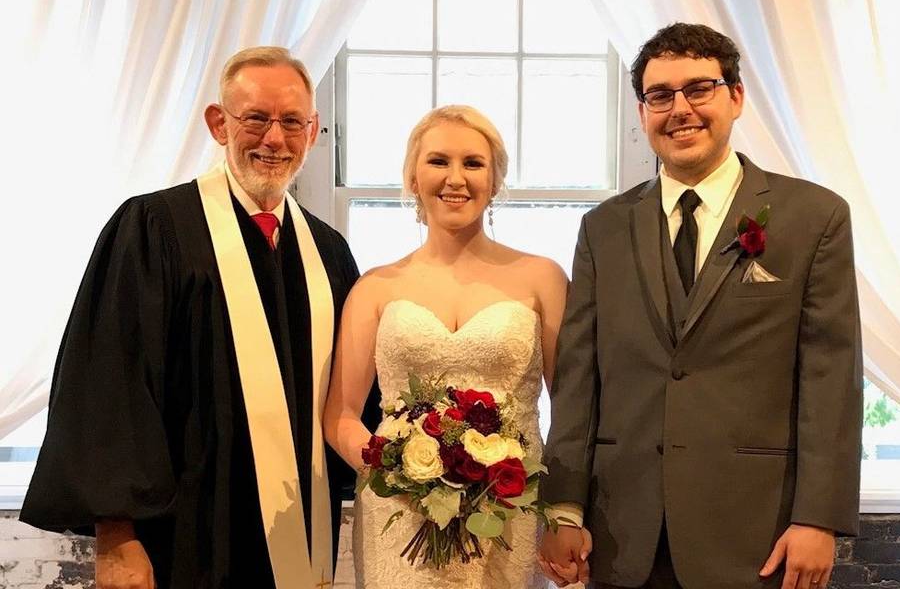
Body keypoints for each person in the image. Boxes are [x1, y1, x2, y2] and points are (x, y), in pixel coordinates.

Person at [21, 46, 379, 589]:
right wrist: (117, 536)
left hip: (302, 525)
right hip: (184, 532)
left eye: (291, 122)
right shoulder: (154, 228)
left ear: (312, 132)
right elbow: (108, 383)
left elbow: (353, 398)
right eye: (255, 118)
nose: (273, 139)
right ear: (219, 123)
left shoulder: (328, 252)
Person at [539, 23, 862, 589]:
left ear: (735, 97)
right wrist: (564, 508)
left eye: (699, 89)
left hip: (756, 531)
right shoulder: (603, 228)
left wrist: (819, 517)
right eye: (659, 96)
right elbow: (577, 380)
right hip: (622, 533)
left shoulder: (814, 216)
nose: (679, 109)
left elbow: (831, 377)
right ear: (643, 113)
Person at [323, 105, 569, 588]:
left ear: (495, 179)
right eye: (438, 161)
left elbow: (573, 407)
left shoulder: (544, 278)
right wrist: (398, 473)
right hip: (398, 514)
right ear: (413, 177)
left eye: (473, 164)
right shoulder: (375, 287)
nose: (455, 178)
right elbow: (341, 416)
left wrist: (561, 512)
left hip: (507, 514)